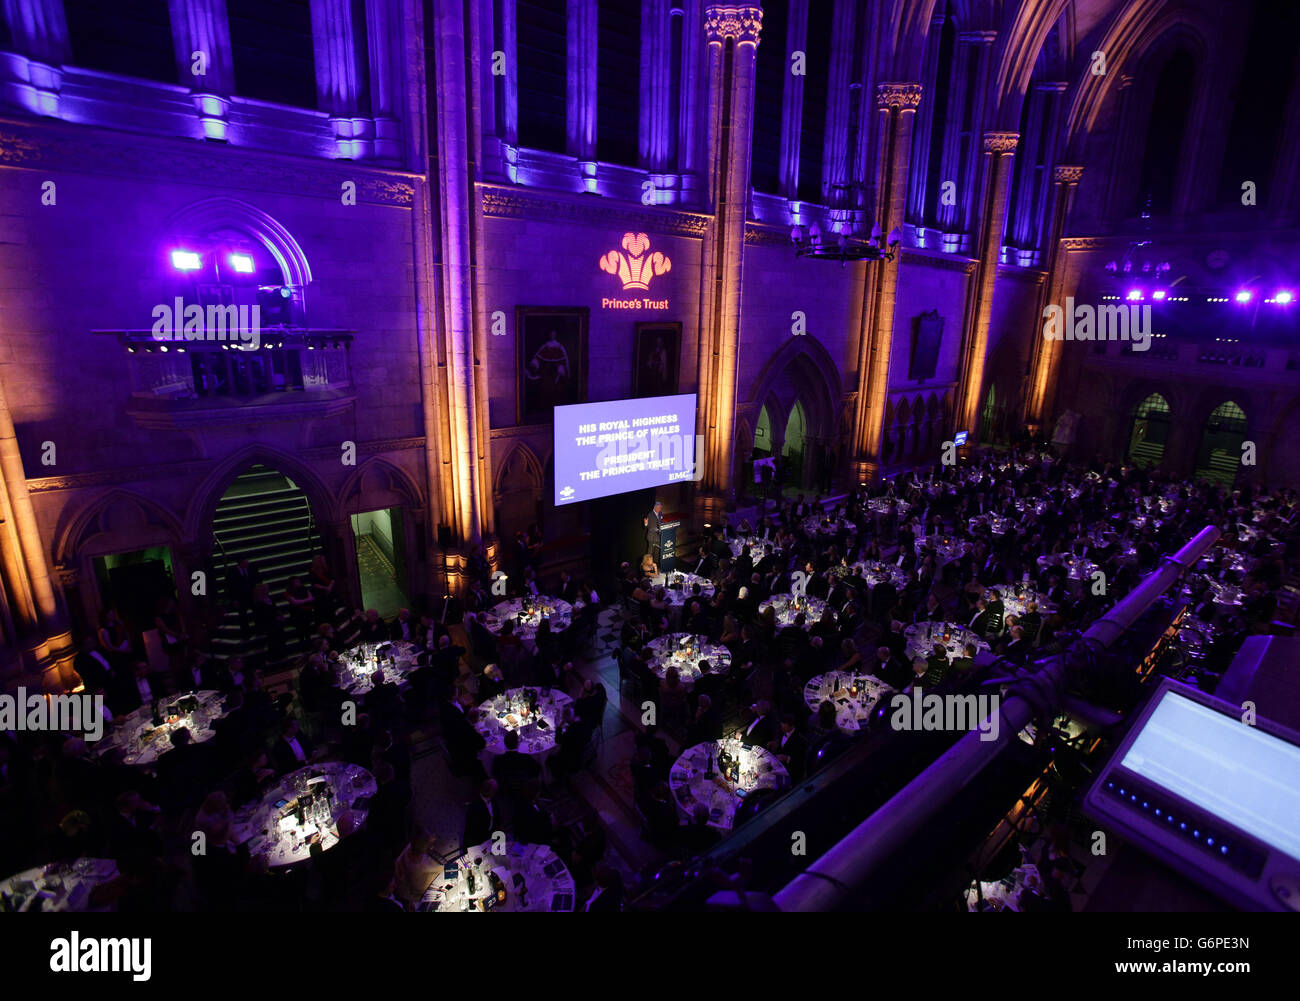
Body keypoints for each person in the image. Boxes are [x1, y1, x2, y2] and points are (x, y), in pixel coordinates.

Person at [394, 826, 440, 909]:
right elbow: (422, 893)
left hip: (406, 888)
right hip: (420, 896)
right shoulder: (419, 867)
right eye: (427, 842)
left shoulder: (411, 847)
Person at [462, 778, 498, 852]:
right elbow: (473, 829)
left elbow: (495, 819)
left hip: (487, 839)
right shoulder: (474, 803)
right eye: (493, 790)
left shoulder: (493, 801)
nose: (494, 793)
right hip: (476, 842)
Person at [644, 500, 664, 566]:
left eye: (660, 508)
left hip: (658, 537)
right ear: (655, 507)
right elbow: (647, 526)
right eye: (659, 508)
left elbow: (661, 522)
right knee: (650, 553)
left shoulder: (660, 513)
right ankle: (648, 566)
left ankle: (655, 566)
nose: (660, 509)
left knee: (657, 553)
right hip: (651, 537)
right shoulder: (650, 514)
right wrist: (646, 523)